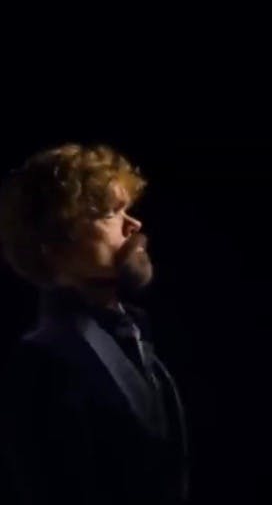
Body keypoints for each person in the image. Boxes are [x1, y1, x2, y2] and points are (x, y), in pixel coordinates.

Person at [0, 143, 188, 505]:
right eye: (109, 213)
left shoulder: (134, 337)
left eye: (127, 209)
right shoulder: (41, 361)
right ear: (53, 243)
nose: (134, 225)